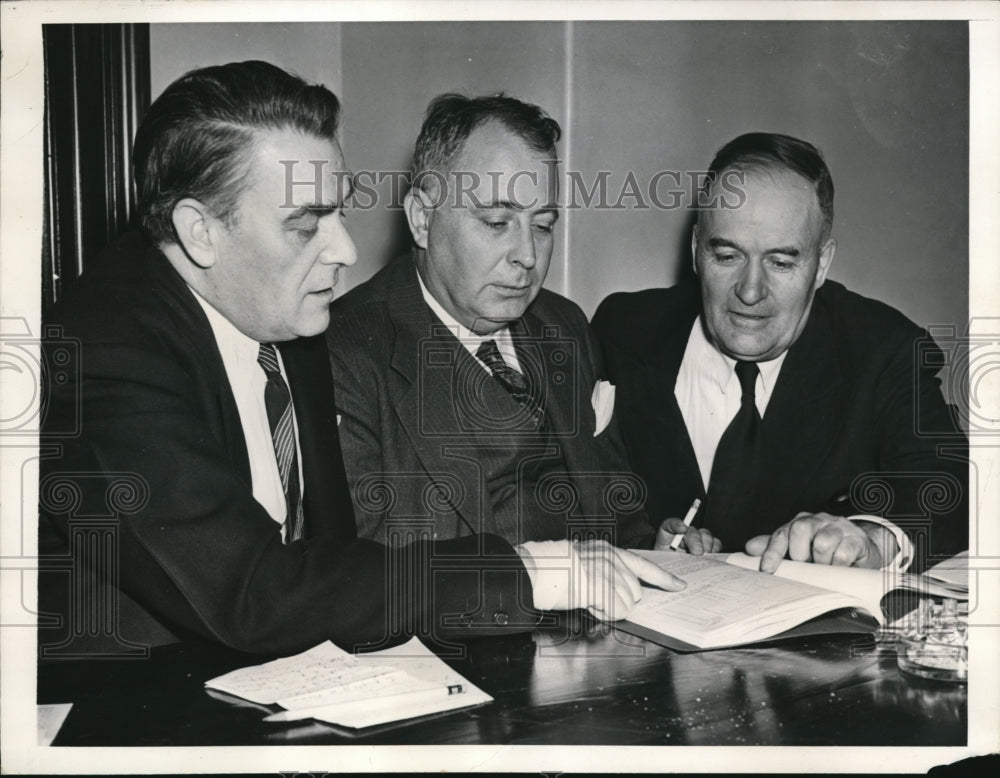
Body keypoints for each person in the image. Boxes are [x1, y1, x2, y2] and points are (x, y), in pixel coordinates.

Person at [38, 62, 682, 659]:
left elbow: (336, 561)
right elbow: (253, 592)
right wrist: (529, 571)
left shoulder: (287, 323)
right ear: (200, 230)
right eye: (305, 223)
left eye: (340, 212)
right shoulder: (99, 350)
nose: (346, 249)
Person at [592, 132, 967, 574]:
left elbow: (952, 487)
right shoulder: (623, 330)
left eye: (782, 263)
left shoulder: (881, 349)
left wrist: (875, 539)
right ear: (696, 251)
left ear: (822, 263)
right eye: (727, 256)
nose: (750, 292)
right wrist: (638, 545)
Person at [327, 93, 653, 554]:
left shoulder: (564, 323)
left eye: (542, 225)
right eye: (497, 221)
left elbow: (618, 514)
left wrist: (661, 546)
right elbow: (370, 580)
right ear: (422, 219)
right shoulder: (345, 354)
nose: (528, 256)